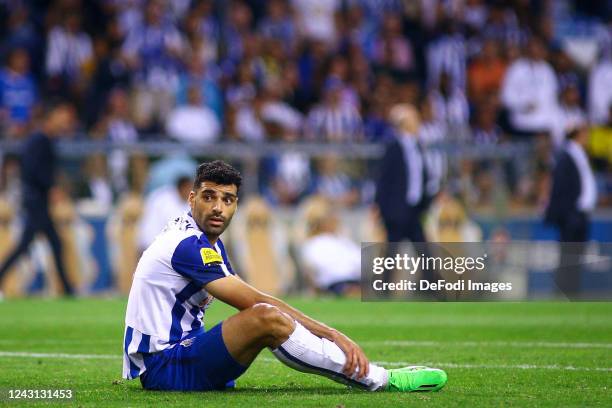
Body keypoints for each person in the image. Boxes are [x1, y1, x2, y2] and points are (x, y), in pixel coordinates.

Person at [123, 160, 447, 392]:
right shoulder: (187, 245)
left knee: (265, 317)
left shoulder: (202, 239)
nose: (218, 207)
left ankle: (371, 373)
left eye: (228, 199)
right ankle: (380, 379)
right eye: (209, 197)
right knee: (265, 318)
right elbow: (254, 302)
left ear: (237, 205)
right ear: (191, 199)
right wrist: (331, 333)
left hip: (179, 357)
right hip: (167, 368)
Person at [0, 102, 76, 296]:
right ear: (51, 117)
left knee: (50, 244)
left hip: (39, 201)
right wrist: (50, 188)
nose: (65, 122)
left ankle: (68, 290)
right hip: (36, 202)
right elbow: (32, 170)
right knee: (29, 245)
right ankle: (68, 290)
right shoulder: (39, 140)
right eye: (61, 117)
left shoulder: (46, 140)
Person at [544, 126, 597, 297]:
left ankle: (572, 292)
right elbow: (560, 188)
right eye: (585, 133)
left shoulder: (579, 155)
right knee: (568, 257)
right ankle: (563, 293)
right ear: (578, 134)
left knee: (575, 257)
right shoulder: (567, 157)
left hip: (580, 214)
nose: (588, 137)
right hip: (571, 215)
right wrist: (566, 214)